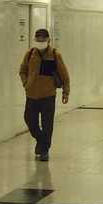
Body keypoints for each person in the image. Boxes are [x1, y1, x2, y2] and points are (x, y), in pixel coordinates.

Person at [19, 28, 70, 162]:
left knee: (47, 124)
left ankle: (44, 150)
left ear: (48, 40)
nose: (40, 42)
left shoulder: (55, 55)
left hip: (48, 96)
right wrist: (25, 83)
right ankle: (42, 141)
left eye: (43, 40)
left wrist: (66, 92)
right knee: (30, 120)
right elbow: (22, 70)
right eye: (38, 40)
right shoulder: (30, 54)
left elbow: (64, 75)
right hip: (31, 95)